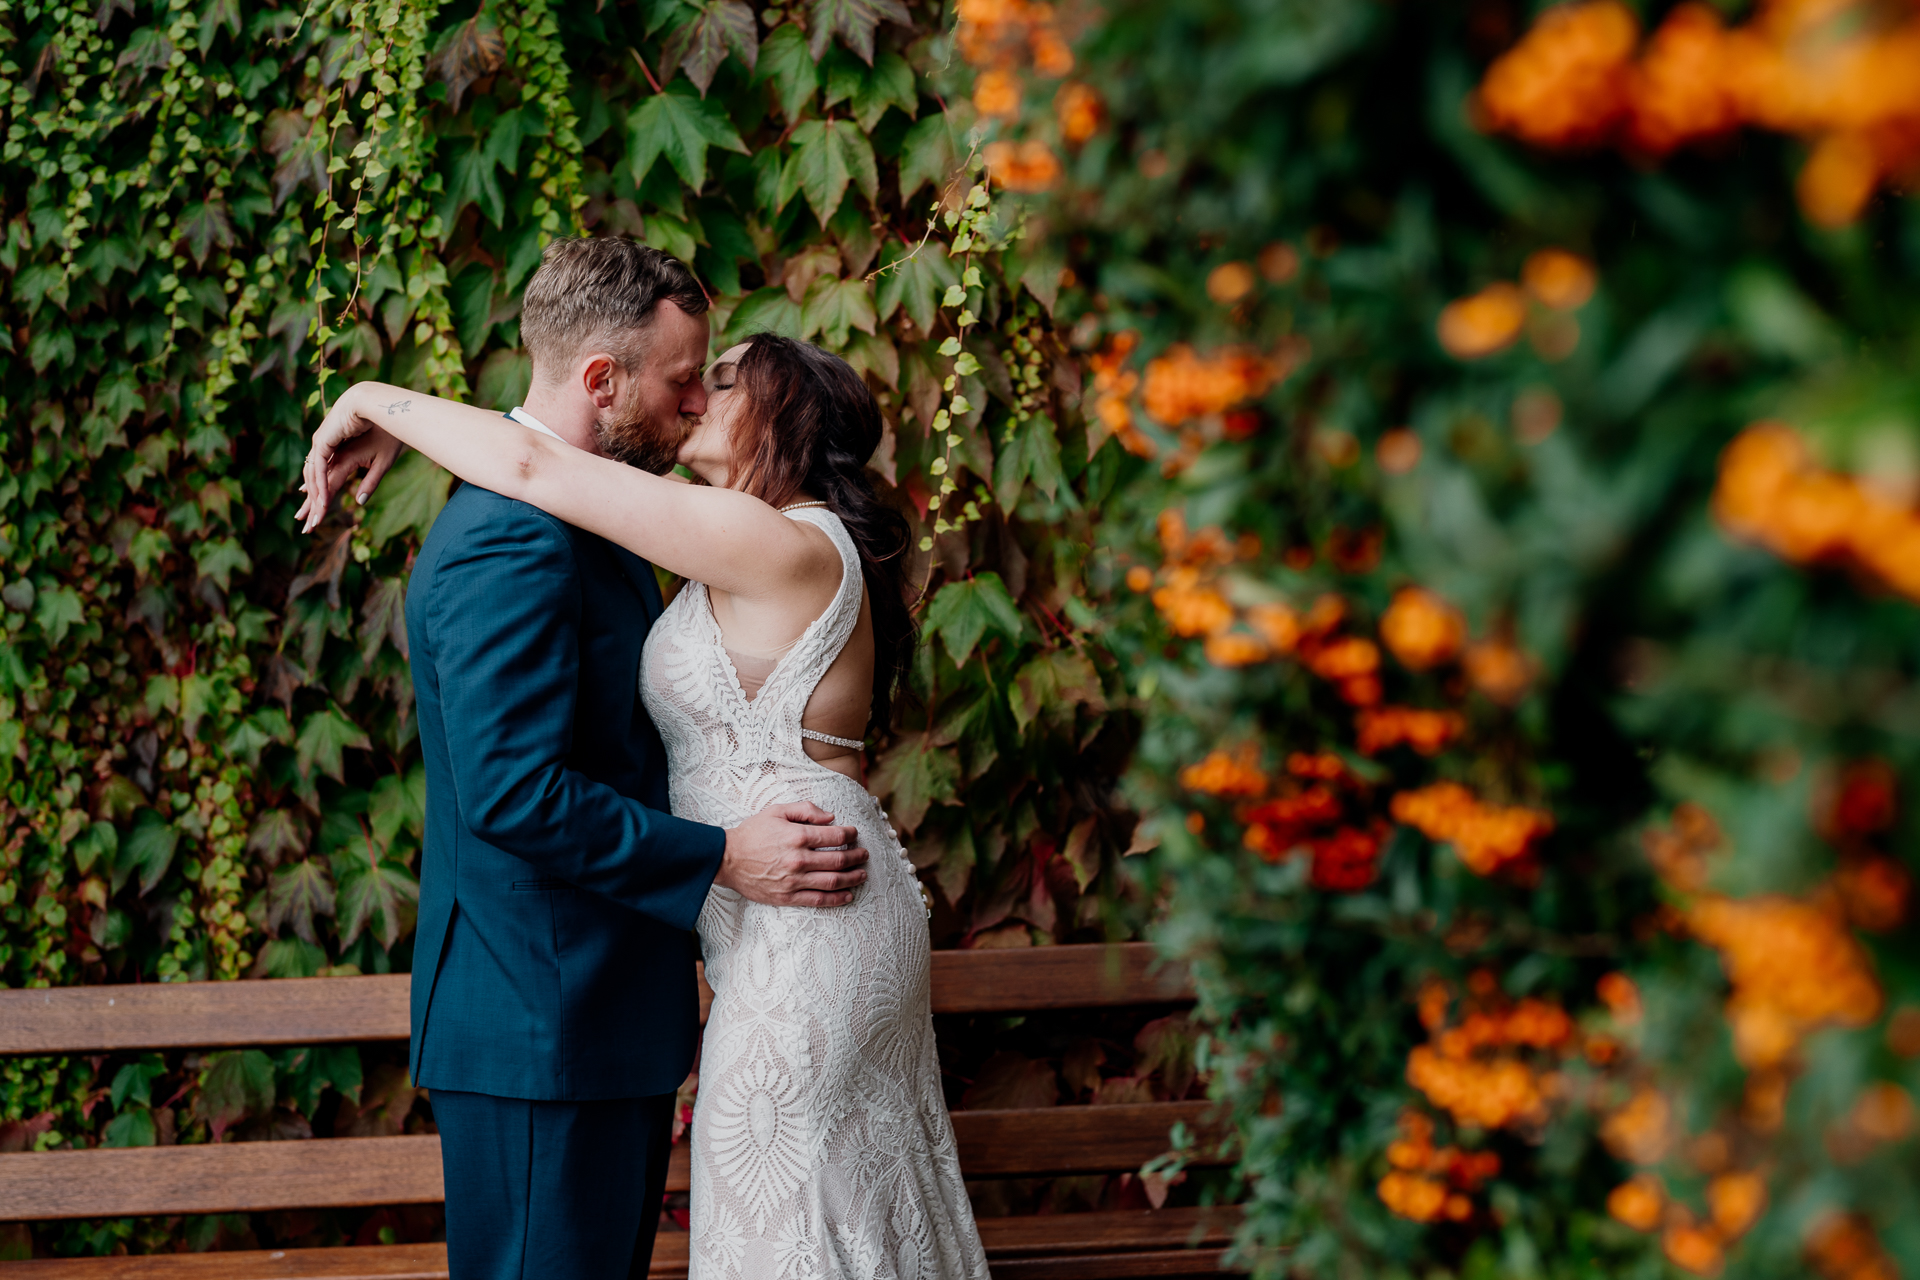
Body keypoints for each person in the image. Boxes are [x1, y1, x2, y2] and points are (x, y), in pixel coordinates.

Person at [298, 241, 989, 1280]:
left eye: (717, 382)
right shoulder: (516, 536)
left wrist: (374, 396)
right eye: (684, 380)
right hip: (547, 1007)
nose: (691, 403)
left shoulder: (678, 525)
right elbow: (513, 791)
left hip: (656, 980)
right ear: (601, 378)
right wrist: (717, 856)